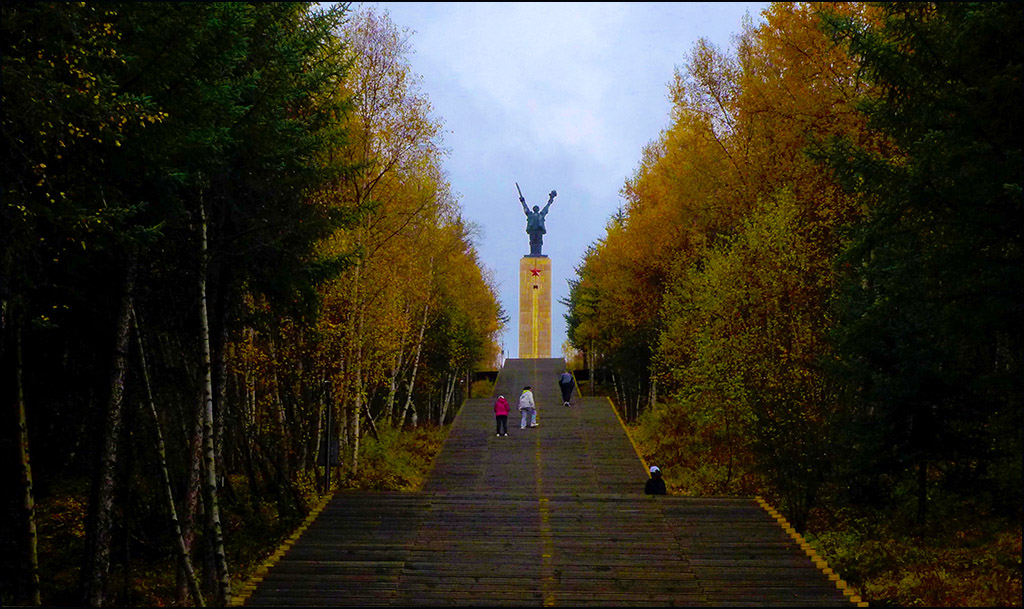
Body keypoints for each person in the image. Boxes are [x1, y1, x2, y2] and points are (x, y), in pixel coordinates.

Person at [520, 190, 556, 256]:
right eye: (535, 208)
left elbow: (546, 207)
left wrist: (550, 200)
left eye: (537, 208)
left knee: (539, 242)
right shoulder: (530, 215)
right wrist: (523, 202)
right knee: (532, 241)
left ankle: (538, 253)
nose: (536, 209)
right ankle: (532, 253)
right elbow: (525, 208)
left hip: (539, 230)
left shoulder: (541, 215)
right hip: (532, 229)